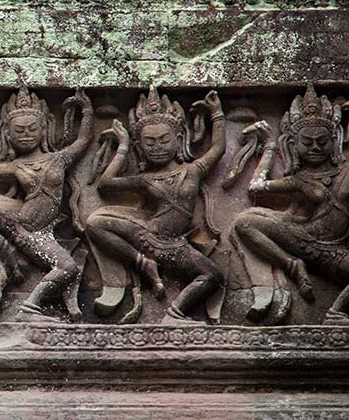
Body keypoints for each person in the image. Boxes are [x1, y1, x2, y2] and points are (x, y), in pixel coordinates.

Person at [86, 87, 226, 323]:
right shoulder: (145, 179)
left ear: (179, 139)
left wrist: (217, 113)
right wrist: (122, 146)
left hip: (175, 246)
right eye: (149, 143)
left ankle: (173, 315)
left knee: (213, 276)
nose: (157, 147)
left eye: (164, 140)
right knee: (95, 221)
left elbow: (218, 148)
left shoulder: (192, 171)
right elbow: (106, 184)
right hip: (149, 236)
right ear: (140, 147)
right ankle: (143, 263)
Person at [0, 87, 93, 320]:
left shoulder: (59, 158)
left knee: (67, 268)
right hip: (19, 221)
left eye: (32, 129)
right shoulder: (16, 166)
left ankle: (30, 306)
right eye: (19, 130)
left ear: (44, 129)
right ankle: (4, 248)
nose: (26, 135)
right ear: (8, 134)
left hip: (40, 233)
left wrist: (87, 110)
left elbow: (85, 139)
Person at [230, 85, 349, 324]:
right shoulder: (298, 179)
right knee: (245, 221)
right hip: (303, 240)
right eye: (307, 142)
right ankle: (293, 266)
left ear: (334, 140)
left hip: (337, 253)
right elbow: (255, 188)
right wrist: (270, 147)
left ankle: (336, 312)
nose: (315, 147)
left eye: (321, 141)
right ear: (294, 144)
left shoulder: (346, 174)